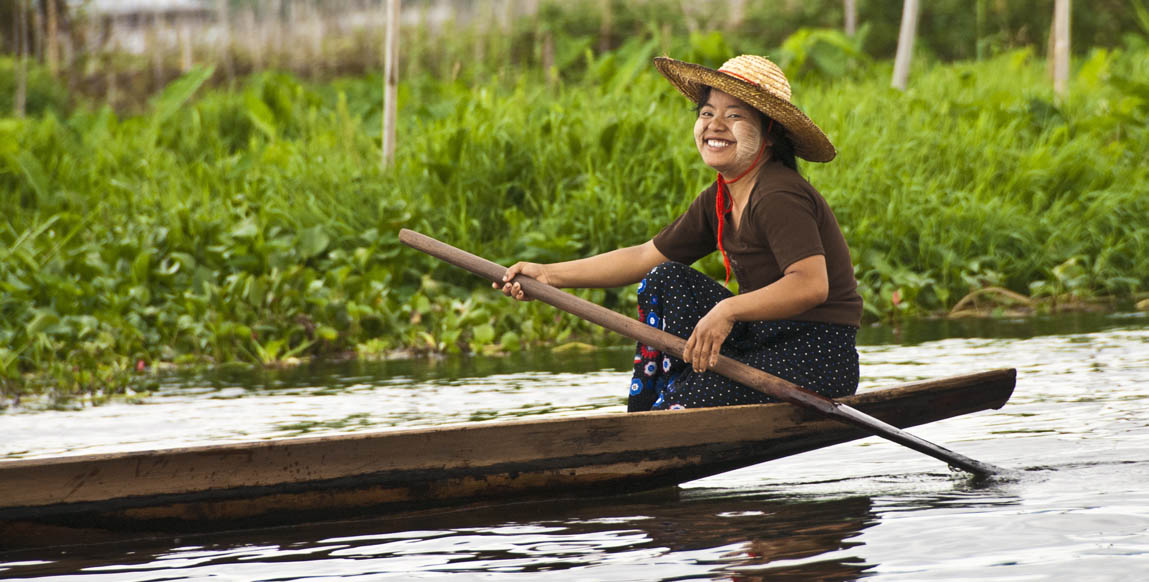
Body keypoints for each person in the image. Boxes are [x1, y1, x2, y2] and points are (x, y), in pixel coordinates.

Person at [496, 55, 863, 412]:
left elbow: (811, 285)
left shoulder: (778, 194)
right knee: (665, 278)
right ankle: (661, 405)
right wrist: (548, 275)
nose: (715, 125)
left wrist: (728, 309)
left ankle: (676, 403)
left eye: (734, 116)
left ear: (770, 135)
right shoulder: (719, 198)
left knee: (686, 402)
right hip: (762, 340)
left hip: (815, 357)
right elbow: (644, 257)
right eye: (707, 113)